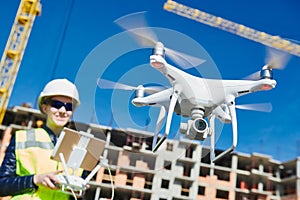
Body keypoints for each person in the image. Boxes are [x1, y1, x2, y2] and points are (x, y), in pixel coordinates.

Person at [0, 78, 83, 199]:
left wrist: (79, 192)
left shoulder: (79, 147)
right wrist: (34, 179)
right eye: (57, 105)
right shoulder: (22, 138)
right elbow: (2, 185)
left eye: (69, 106)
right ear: (45, 108)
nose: (63, 111)